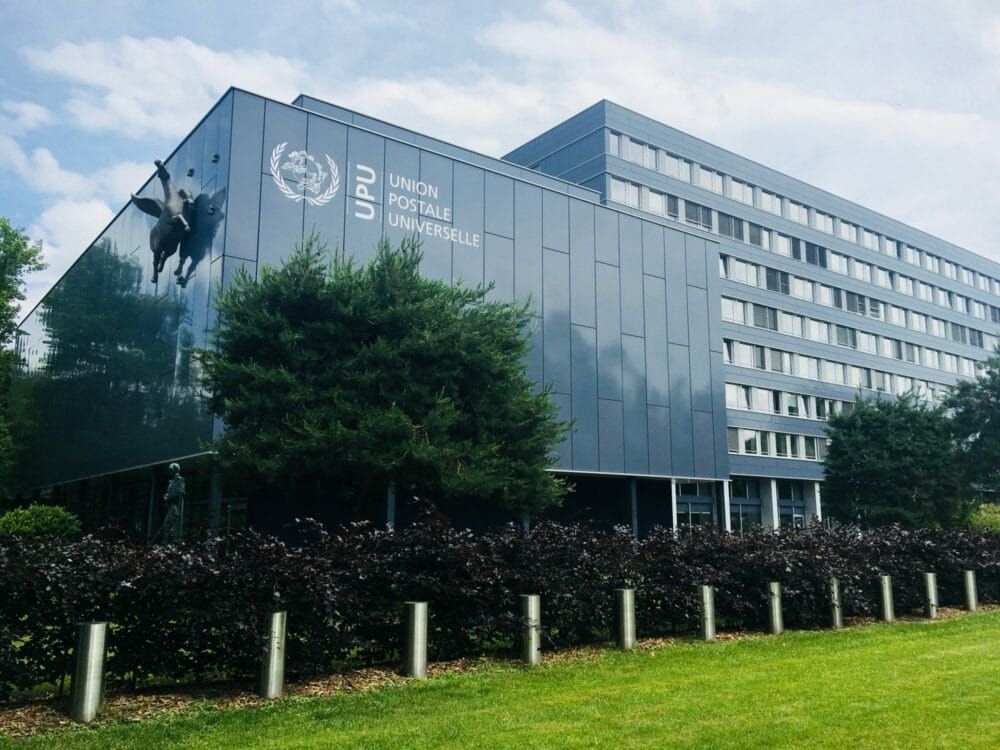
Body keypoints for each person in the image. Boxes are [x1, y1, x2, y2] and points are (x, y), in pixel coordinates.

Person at [158, 463, 185, 542]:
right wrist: (166, 497)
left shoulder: (180, 480)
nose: (169, 471)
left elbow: (179, 492)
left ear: (175, 470)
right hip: (169, 507)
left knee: (169, 527)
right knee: (166, 527)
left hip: (175, 507)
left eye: (170, 469)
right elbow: (168, 493)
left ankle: (170, 545)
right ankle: (166, 545)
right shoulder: (170, 482)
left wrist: (168, 498)